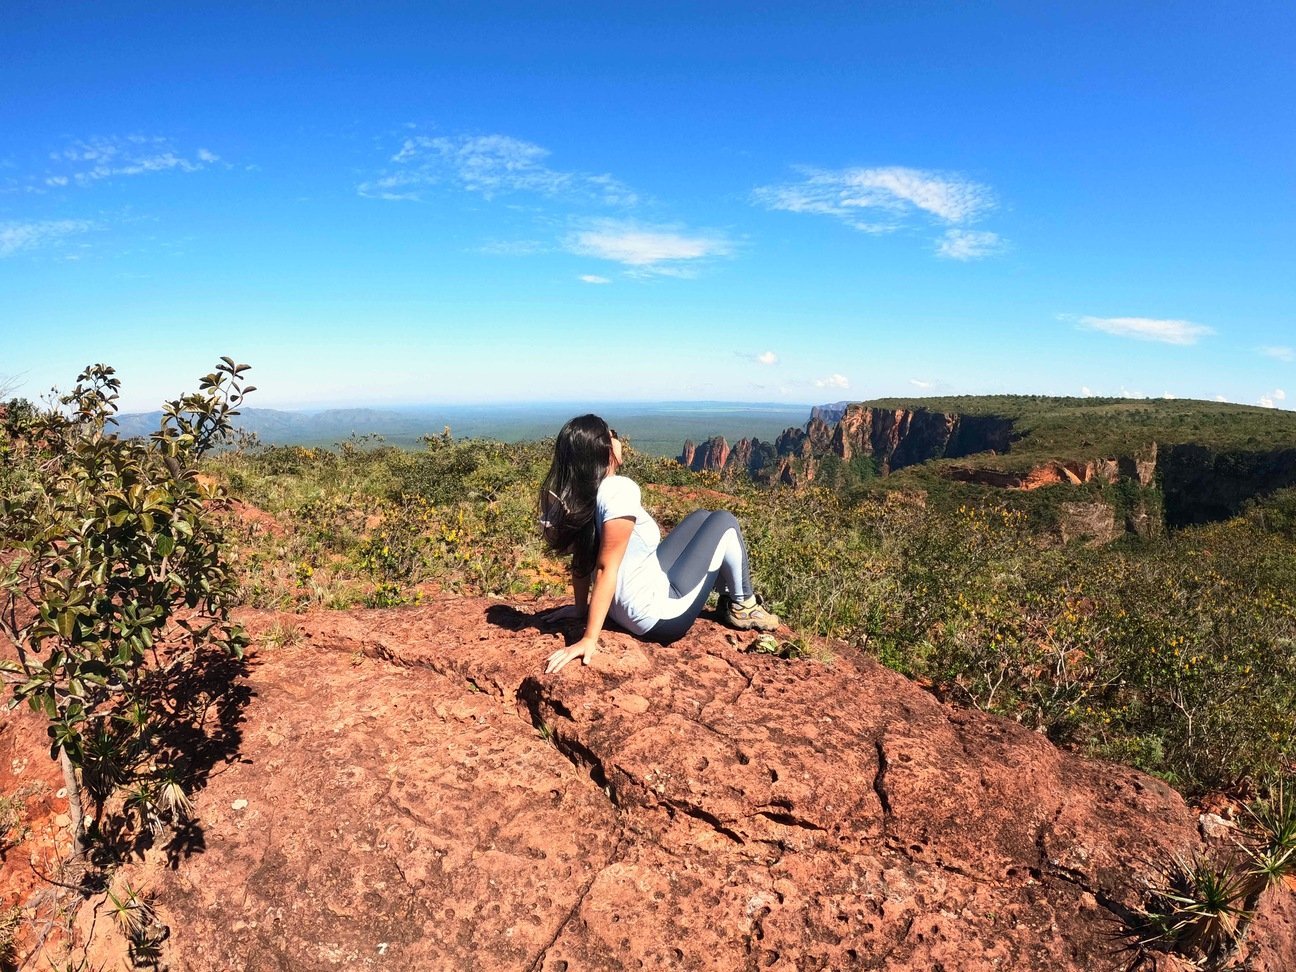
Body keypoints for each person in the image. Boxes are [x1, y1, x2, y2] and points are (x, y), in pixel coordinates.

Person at [538, 414, 779, 674]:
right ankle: (744, 605)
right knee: (725, 521)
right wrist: (589, 639)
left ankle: (730, 595)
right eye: (612, 435)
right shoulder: (619, 489)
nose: (618, 440)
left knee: (702, 517)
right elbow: (605, 568)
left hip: (626, 606)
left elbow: (581, 558)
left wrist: (579, 609)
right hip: (658, 615)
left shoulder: (581, 492)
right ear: (603, 448)